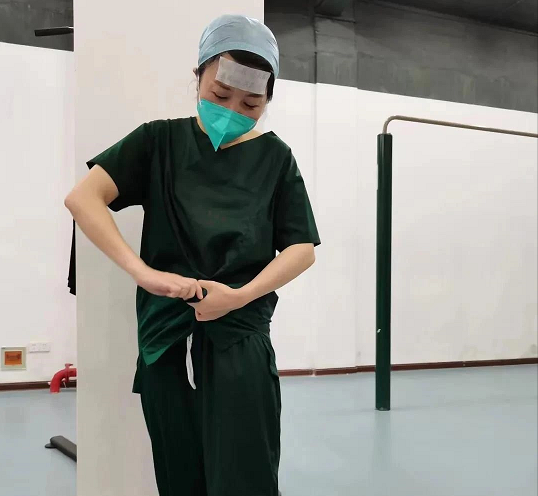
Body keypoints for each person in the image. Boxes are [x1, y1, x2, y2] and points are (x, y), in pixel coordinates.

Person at [65, 14, 320, 496]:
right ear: (198, 76)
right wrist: (144, 273)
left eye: (251, 104)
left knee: (245, 477)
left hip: (239, 341)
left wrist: (238, 296)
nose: (232, 111)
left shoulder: (275, 159)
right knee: (179, 476)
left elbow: (302, 248)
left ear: (268, 101)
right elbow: (83, 198)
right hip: (166, 340)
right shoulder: (158, 142)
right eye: (220, 95)